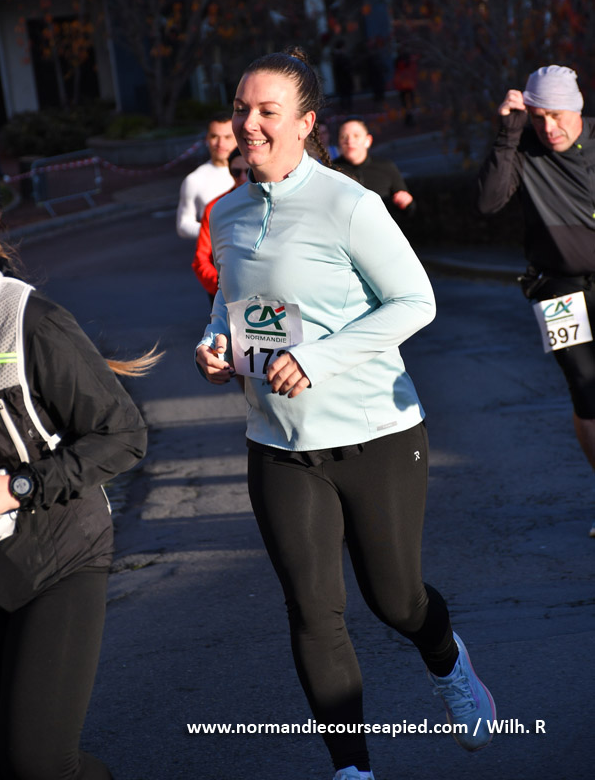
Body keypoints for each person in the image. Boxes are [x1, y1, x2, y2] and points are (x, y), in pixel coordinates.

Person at [196, 47, 495, 780]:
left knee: (395, 601)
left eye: (267, 111)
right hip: (278, 442)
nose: (249, 124)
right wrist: (215, 344)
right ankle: (352, 769)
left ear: (305, 123)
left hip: (376, 438)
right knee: (312, 610)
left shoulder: (347, 204)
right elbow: (239, 303)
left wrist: (319, 359)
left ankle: (446, 659)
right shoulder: (227, 213)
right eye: (241, 109)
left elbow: (415, 301)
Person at [0, 181, 154, 779]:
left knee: (37, 763)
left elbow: (123, 434)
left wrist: (16, 486)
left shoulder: (30, 321)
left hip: (58, 556)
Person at [478, 64, 595, 536]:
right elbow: (488, 202)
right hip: (555, 287)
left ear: (577, 108)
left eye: (557, 115)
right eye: (539, 117)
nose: (549, 128)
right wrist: (508, 132)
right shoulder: (522, 147)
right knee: (584, 387)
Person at [192, 150, 250, 303]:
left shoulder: (273, 201)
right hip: (225, 295)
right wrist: (220, 287)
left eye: (248, 171)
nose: (243, 177)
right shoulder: (215, 207)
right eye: (236, 172)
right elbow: (201, 258)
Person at [333, 117, 414, 213]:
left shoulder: (386, 167)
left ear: (368, 140)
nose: (350, 141)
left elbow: (410, 209)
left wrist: (406, 202)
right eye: (344, 137)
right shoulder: (332, 171)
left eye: (356, 136)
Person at [176, 113, 237, 239]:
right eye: (214, 136)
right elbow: (183, 225)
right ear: (206, 139)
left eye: (227, 137)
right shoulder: (195, 179)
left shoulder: (255, 171)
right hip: (215, 251)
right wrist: (216, 231)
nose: (220, 143)